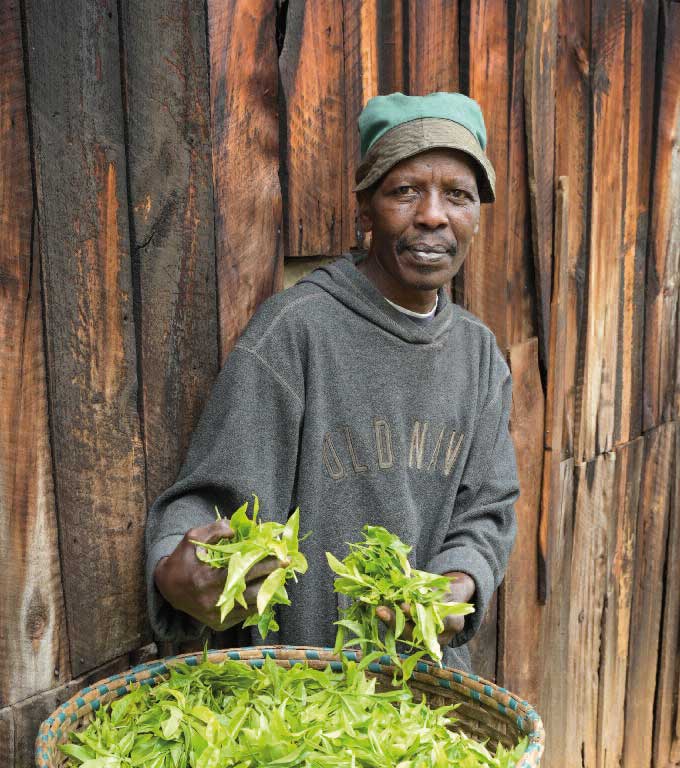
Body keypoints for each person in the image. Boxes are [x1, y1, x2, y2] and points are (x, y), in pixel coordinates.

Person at [146, 92, 519, 673]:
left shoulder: (479, 357)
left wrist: (462, 579)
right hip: (299, 694)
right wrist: (175, 567)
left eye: (458, 196)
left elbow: (488, 509)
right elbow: (210, 499)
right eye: (404, 191)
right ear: (366, 206)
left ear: (475, 215)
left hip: (425, 687)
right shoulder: (296, 332)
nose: (433, 215)